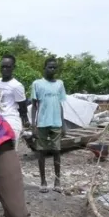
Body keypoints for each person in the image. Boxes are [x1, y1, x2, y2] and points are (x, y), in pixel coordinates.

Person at [31, 57, 68, 193]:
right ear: (45, 68)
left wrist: (63, 124)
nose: (52, 69)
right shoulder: (37, 84)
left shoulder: (60, 84)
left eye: (54, 67)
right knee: (41, 152)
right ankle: (43, 181)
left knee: (57, 151)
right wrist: (33, 125)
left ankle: (57, 180)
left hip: (56, 122)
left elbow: (60, 104)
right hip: (42, 123)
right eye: (50, 67)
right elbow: (34, 106)